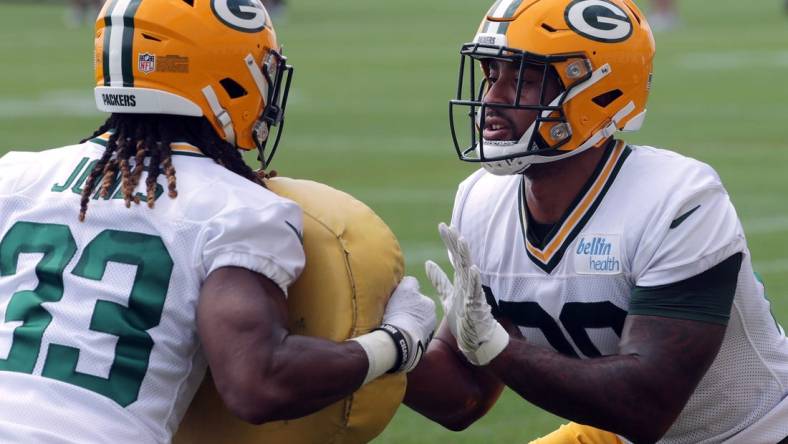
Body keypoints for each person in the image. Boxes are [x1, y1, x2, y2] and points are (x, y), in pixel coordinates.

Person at [0, 1, 434, 443]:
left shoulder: (15, 176)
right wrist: (396, 342)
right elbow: (256, 383)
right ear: (225, 75)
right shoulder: (238, 207)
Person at [404, 0, 788, 443]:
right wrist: (382, 347)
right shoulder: (480, 202)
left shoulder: (678, 199)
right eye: (492, 75)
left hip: (750, 433)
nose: (491, 98)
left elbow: (646, 405)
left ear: (596, 91)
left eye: (523, 80)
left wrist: (495, 347)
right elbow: (462, 397)